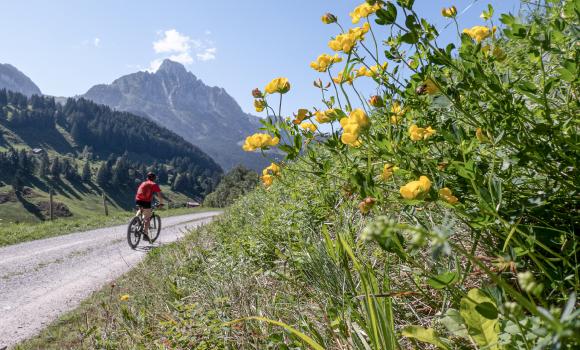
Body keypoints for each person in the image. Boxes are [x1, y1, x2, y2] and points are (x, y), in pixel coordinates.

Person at [135, 172, 164, 239]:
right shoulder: (153, 184)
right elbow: (159, 195)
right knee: (147, 218)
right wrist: (161, 203)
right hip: (146, 201)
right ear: (154, 178)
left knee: (141, 209)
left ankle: (136, 219)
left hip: (138, 199)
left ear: (147, 178)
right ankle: (145, 234)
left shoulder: (143, 183)